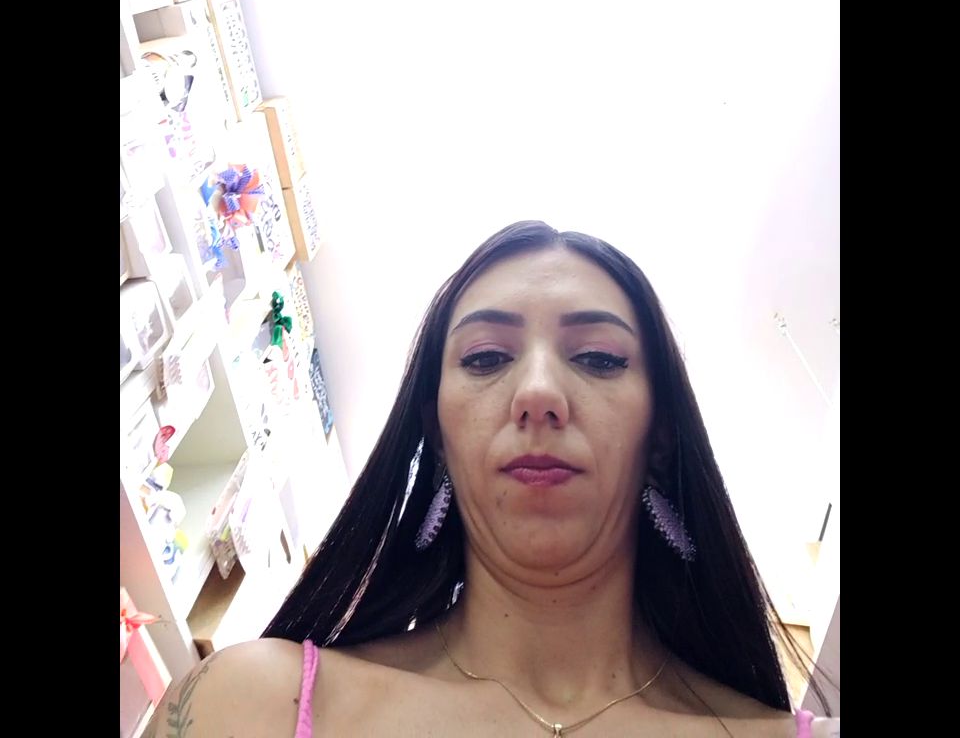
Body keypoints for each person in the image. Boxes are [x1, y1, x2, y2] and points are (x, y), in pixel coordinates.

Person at [144, 220, 839, 737]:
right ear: (438, 436)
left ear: (659, 436)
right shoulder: (248, 706)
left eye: (598, 358)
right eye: (485, 358)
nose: (537, 392)